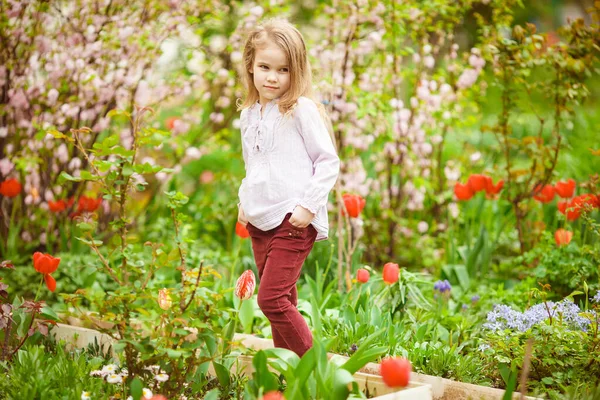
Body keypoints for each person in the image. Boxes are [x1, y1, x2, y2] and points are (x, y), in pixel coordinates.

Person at [236, 18, 340, 357]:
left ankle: (317, 370)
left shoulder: (300, 110)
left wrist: (308, 206)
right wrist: (244, 199)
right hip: (260, 221)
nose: (272, 77)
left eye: (283, 70)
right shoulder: (249, 115)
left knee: (271, 300)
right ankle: (289, 373)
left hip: (293, 219)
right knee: (284, 300)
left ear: (296, 72)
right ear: (250, 64)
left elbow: (327, 161)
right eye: (265, 67)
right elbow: (253, 163)